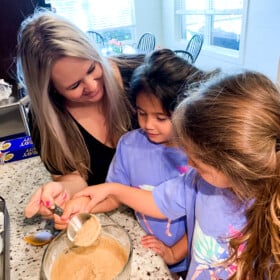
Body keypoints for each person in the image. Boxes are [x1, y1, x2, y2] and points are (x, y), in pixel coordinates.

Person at [72, 71, 280, 279]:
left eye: (198, 162)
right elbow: (156, 202)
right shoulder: (198, 182)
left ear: (233, 166)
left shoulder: (272, 212)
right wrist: (110, 189)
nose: (189, 164)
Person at [63, 48, 217, 277]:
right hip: (151, 255)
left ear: (187, 110)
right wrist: (81, 208)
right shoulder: (129, 145)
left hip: (192, 259)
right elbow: (115, 195)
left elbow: (205, 221)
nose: (147, 125)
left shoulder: (200, 159)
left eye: (161, 118)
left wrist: (174, 253)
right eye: (141, 113)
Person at [16, 9, 144, 226]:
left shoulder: (140, 73)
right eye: (74, 85)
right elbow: (74, 179)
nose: (93, 86)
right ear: (51, 90)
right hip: (119, 219)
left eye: (92, 67)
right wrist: (61, 192)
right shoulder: (45, 119)